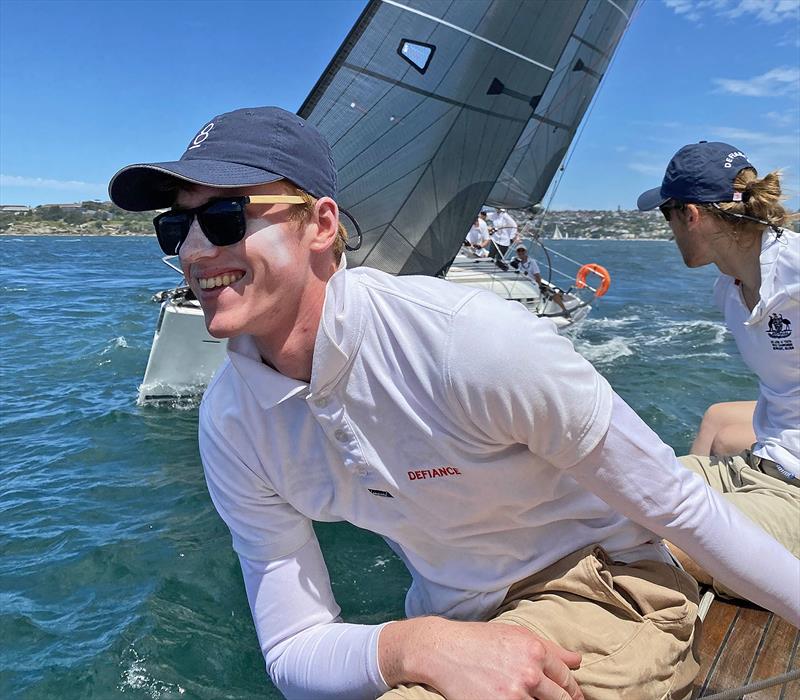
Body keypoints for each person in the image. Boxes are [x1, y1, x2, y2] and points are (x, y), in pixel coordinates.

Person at [109, 109, 799, 700]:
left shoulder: (465, 341)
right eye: (176, 228)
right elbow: (291, 647)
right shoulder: (233, 423)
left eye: (226, 217)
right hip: (460, 619)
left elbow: (677, 506)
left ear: (321, 226)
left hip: (605, 585)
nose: (195, 251)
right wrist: (408, 647)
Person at [637, 141, 799, 598]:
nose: (668, 230)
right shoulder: (729, 290)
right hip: (761, 463)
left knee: (656, 543)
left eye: (666, 215)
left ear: (690, 215)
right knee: (615, 491)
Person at [509, 243, 570, 316]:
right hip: (522, 284)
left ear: (525, 252)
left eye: (523, 251)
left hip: (533, 283)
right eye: (519, 251)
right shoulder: (515, 262)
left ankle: (565, 310)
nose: (521, 252)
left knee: (551, 293)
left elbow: (537, 275)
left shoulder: (532, 262)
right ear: (517, 252)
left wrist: (539, 285)